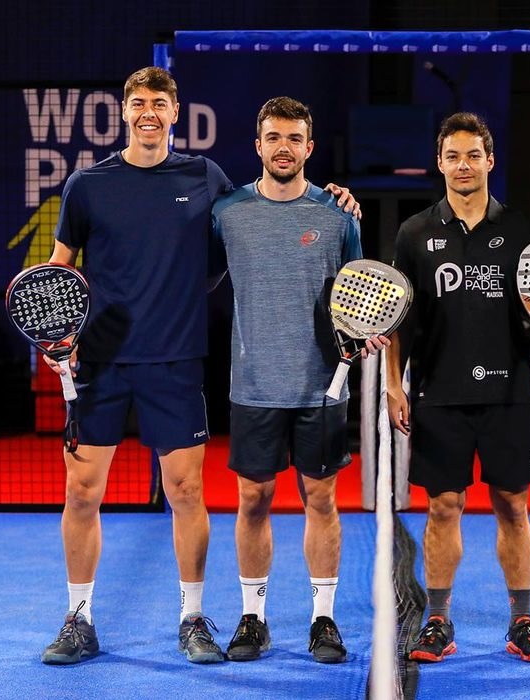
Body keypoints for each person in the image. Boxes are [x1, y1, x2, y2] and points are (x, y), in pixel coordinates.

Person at [40, 69, 357, 666]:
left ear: (175, 112)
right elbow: (60, 271)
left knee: (186, 491)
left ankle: (192, 618)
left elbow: (260, 217)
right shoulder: (86, 186)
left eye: (159, 104)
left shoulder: (205, 179)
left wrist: (335, 197)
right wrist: (61, 333)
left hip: (177, 360)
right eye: (138, 104)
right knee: (81, 492)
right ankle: (79, 617)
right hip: (101, 364)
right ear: (125, 112)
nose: (148, 113)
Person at [387, 112, 530, 664]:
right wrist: (395, 388)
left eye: (473, 155)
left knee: (513, 506)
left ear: (490, 161)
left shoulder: (521, 231)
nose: (463, 165)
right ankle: (438, 621)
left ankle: (522, 619)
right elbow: (398, 317)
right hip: (437, 393)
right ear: (439, 163)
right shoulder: (414, 233)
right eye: (453, 156)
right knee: (443, 507)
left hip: (509, 392)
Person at [210, 96, 384, 665]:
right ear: (257, 146)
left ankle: (323, 619)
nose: (283, 148)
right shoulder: (227, 213)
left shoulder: (339, 216)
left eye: (294, 139)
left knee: (321, 499)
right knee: (253, 498)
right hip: (254, 384)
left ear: (309, 148)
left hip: (322, 387)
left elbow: (362, 292)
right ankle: (253, 617)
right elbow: (201, 280)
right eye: (273, 138)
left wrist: (362, 336)